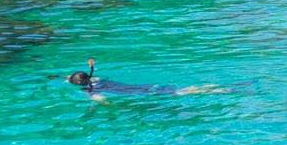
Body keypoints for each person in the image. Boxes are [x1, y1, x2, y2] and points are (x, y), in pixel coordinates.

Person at [67, 59, 225, 98]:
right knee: (179, 90)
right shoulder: (98, 80)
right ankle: (212, 86)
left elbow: (100, 99)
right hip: (145, 86)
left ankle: (219, 90)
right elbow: (88, 76)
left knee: (180, 92)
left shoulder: (91, 90)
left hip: (142, 93)